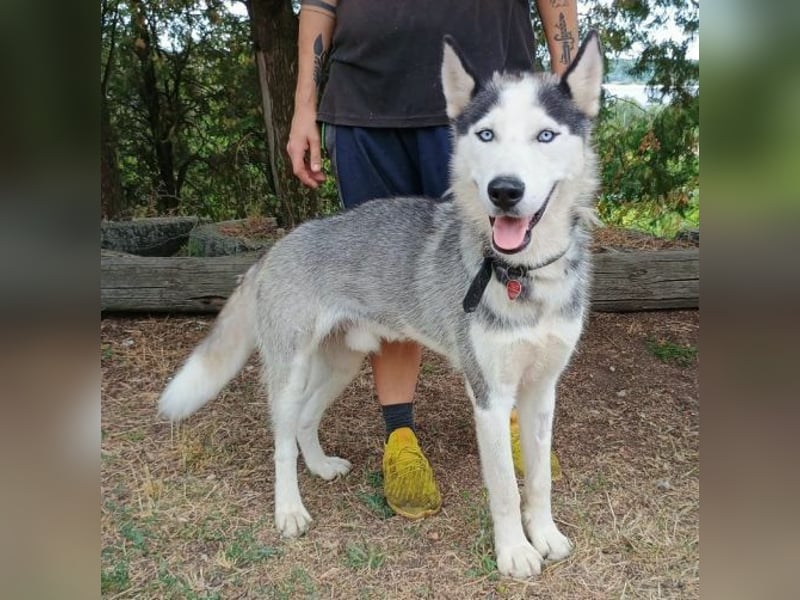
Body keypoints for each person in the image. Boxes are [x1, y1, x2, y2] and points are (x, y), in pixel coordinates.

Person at [287, 0, 579, 519]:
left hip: (491, 108)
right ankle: (399, 434)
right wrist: (304, 106)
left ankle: (511, 417)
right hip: (368, 105)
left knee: (512, 256)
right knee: (391, 288)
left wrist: (568, 90)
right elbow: (320, 4)